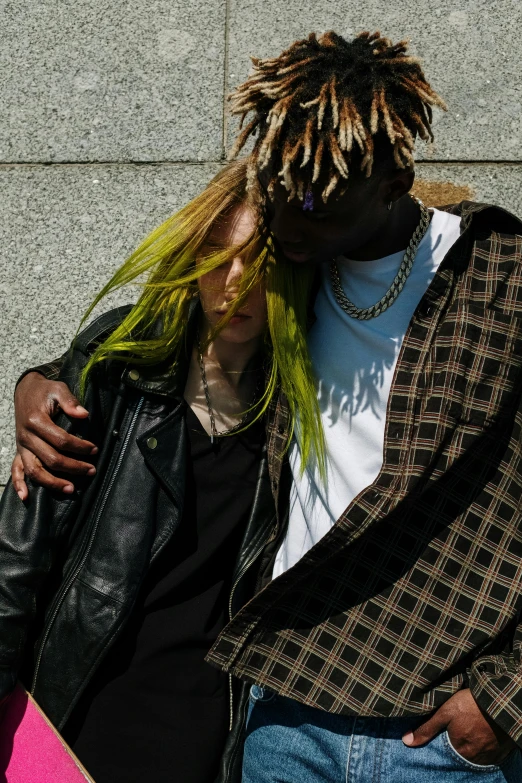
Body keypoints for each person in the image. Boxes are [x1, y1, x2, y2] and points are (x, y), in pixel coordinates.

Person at [11, 29, 522, 782]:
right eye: (279, 201)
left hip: (439, 738)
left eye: (311, 209)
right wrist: (41, 380)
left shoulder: (498, 275)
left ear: (390, 181)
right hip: (280, 719)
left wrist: (507, 695)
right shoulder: (292, 283)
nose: (283, 231)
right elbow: (168, 333)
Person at [0, 158, 323, 783]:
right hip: (79, 704)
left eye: (258, 263)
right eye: (216, 256)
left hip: (210, 729)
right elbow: (16, 554)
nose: (233, 284)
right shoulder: (123, 367)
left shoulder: (299, 406)